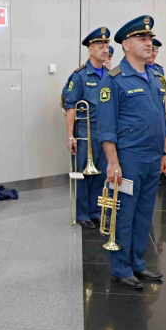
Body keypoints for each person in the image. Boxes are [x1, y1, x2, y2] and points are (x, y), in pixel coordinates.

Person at [98, 15, 166, 289]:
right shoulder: (115, 80)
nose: (148, 43)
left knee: (144, 213)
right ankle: (121, 267)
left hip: (152, 158)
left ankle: (137, 263)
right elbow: (106, 126)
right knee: (124, 213)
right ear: (126, 44)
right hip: (128, 158)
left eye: (150, 38)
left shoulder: (154, 77)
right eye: (142, 38)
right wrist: (113, 161)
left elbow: (160, 120)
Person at [63, 27, 111, 228]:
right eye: (100, 45)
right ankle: (82, 214)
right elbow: (70, 106)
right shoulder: (79, 75)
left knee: (101, 174)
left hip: (105, 131)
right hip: (85, 132)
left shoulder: (110, 74)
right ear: (90, 49)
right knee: (83, 174)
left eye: (107, 45)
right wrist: (70, 136)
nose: (105, 49)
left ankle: (95, 211)